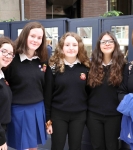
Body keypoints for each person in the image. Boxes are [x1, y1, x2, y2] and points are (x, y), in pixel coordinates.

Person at [4, 21, 48, 150]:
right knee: (22, 147)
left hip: (38, 107)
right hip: (18, 110)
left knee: (34, 147)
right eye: (32, 36)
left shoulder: (42, 59)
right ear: (25, 35)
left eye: (39, 38)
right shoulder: (11, 59)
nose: (36, 40)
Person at [44, 32, 90, 150]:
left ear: (79, 47)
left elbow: (89, 93)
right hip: (58, 115)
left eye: (74, 45)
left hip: (79, 116)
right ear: (61, 47)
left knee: (76, 147)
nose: (71, 48)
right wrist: (48, 120)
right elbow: (48, 95)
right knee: (57, 147)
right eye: (67, 45)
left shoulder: (86, 67)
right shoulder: (53, 68)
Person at [87, 31, 125, 150]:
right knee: (97, 146)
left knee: (112, 146)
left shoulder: (123, 66)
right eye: (103, 42)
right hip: (94, 115)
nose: (107, 44)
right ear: (99, 45)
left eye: (110, 41)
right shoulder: (91, 65)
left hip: (114, 115)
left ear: (115, 44)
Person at [0, 37, 14, 150]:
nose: (7, 56)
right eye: (4, 51)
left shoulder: (2, 75)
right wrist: (1, 139)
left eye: (10, 54)